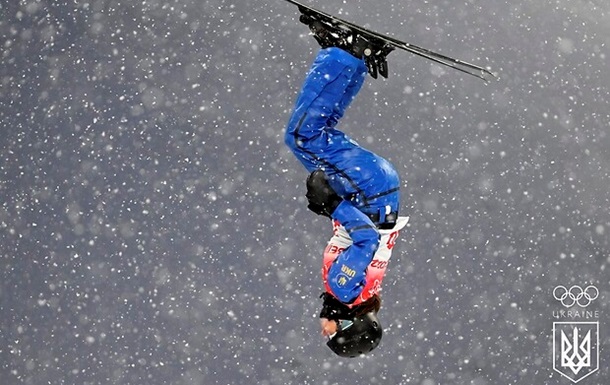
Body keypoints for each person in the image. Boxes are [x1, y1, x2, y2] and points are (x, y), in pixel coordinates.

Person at [284, 20, 408, 357]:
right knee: (301, 137)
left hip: (377, 189)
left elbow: (363, 240)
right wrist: (331, 204)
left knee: (318, 132)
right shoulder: (344, 288)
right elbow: (366, 237)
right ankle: (346, 52)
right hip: (368, 190)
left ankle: (350, 55)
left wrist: (335, 208)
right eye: (331, 333)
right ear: (348, 324)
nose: (323, 328)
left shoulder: (360, 293)